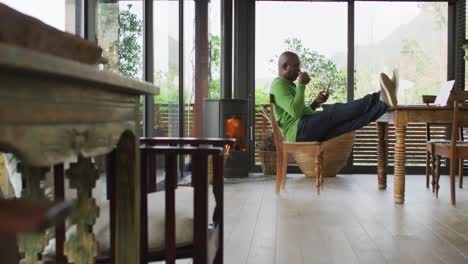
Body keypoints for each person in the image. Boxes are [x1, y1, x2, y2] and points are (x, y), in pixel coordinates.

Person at [270, 51, 397, 143]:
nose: (299, 70)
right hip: (298, 131)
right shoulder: (278, 84)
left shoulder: (289, 85)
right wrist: (301, 85)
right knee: (334, 110)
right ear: (285, 66)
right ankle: (380, 94)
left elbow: (301, 112)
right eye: (296, 66)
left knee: (348, 125)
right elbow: (295, 112)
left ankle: (383, 103)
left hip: (301, 129)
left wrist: (315, 103)